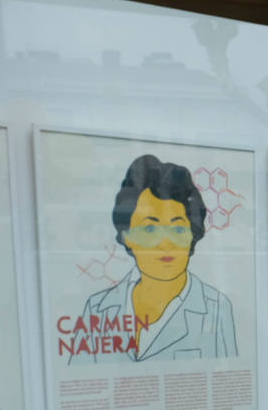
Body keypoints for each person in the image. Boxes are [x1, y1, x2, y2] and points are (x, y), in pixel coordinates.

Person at [69, 155, 237, 363]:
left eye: (177, 228)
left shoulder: (216, 308)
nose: (165, 242)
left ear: (193, 235)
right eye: (150, 228)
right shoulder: (97, 309)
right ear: (126, 236)